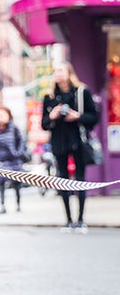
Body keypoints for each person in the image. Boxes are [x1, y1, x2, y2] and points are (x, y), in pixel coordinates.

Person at [41, 61, 99, 233]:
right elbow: (44, 124)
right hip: (59, 143)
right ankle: (68, 220)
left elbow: (93, 117)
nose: (58, 74)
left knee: (80, 180)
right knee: (63, 181)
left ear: (69, 72)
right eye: (55, 71)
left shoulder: (81, 92)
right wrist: (52, 115)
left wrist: (77, 116)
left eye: (61, 70)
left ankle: (81, 220)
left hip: (78, 142)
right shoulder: (50, 97)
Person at [0, 106, 24, 214]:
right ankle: (2, 205)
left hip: (14, 161)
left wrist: (18, 153)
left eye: (2, 115)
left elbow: (21, 142)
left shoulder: (14, 129)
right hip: (1, 161)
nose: (0, 117)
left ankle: (18, 204)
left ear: (9, 116)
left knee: (16, 184)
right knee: (0, 183)